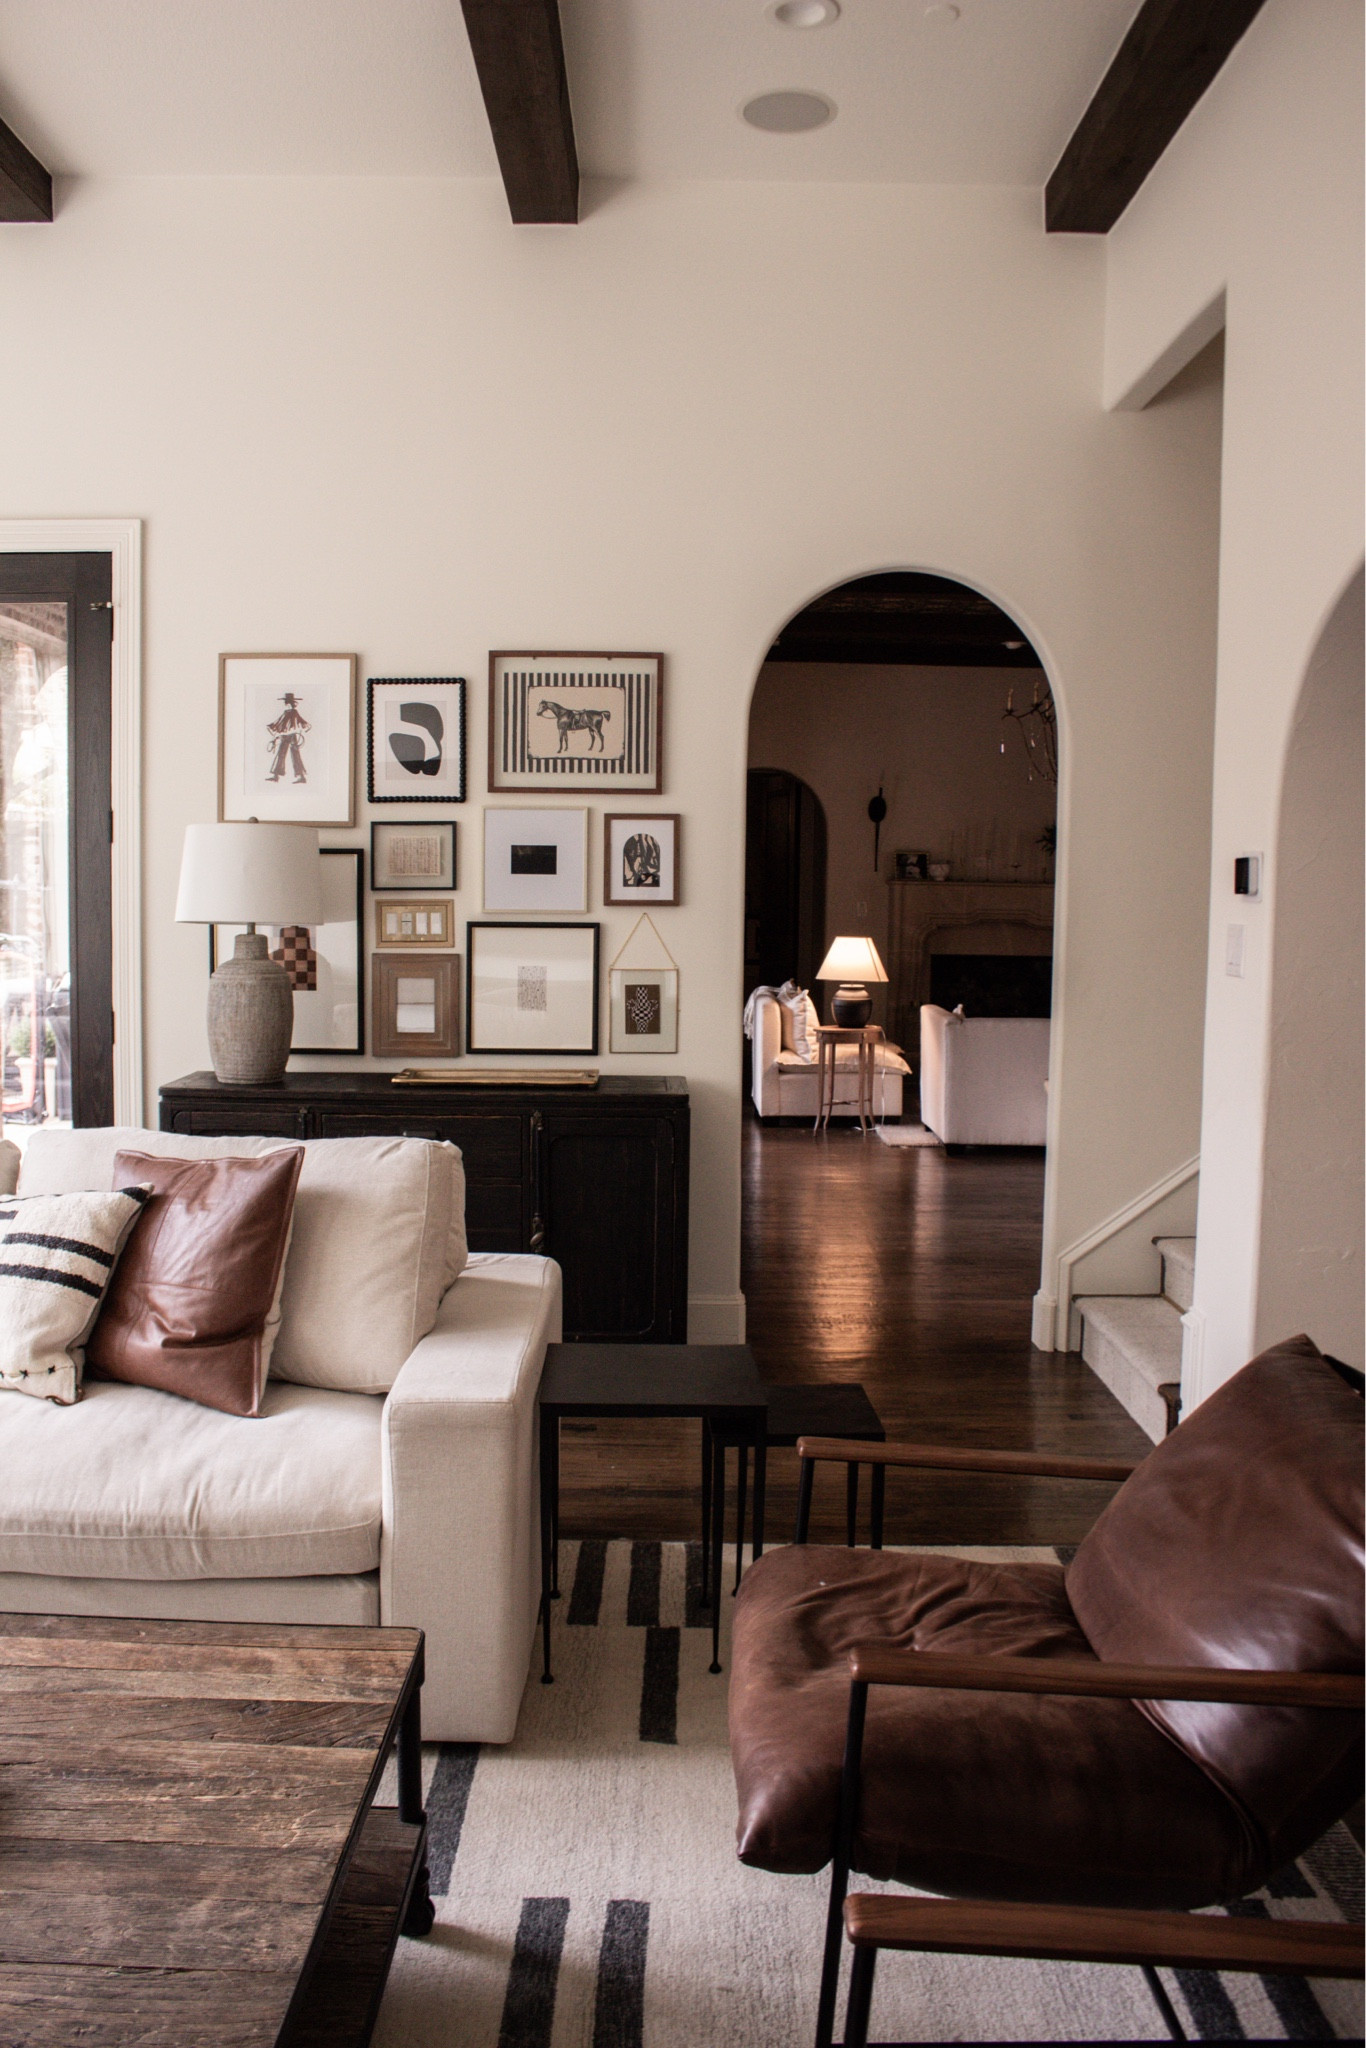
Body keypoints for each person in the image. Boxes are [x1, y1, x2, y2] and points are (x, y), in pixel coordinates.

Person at [266, 693, 310, 784]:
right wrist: (274, 729)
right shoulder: (286, 713)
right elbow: (279, 723)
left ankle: (300, 777)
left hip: (291, 736)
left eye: (287, 703)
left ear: (290, 703)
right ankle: (277, 776)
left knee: (293, 755)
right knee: (283, 755)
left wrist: (302, 729)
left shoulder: (293, 713)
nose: (286, 704)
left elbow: (303, 723)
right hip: (286, 736)